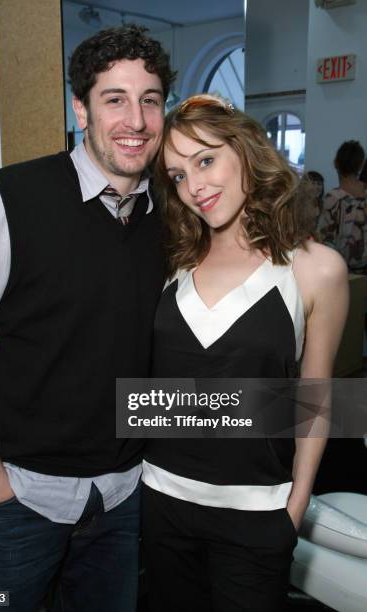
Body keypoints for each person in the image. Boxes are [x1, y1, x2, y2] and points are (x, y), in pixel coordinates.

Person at [0, 25, 175, 612]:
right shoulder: (11, 196)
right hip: (15, 497)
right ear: (81, 109)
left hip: (122, 497)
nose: (136, 119)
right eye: (114, 99)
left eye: (150, 100)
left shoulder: (171, 218)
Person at [139, 96, 349, 611]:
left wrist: (293, 510)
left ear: (245, 150)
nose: (195, 187)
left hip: (258, 514)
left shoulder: (316, 268)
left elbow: (315, 401)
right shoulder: (170, 263)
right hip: (160, 502)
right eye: (178, 175)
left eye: (205, 160)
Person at [317, 140, 367, 272]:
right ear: (360, 165)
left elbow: (322, 241)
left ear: (336, 163)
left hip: (342, 272)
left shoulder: (332, 198)